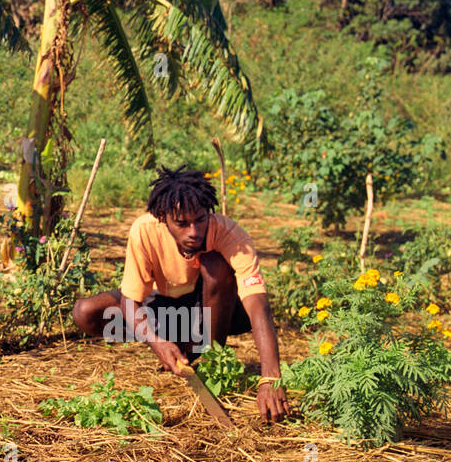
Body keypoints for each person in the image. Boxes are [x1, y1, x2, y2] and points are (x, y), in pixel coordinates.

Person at [71, 165, 291, 423]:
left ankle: (210, 356)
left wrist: (271, 377)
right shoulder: (144, 230)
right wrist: (157, 343)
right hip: (163, 309)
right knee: (85, 312)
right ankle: (182, 346)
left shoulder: (230, 234)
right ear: (163, 218)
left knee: (216, 266)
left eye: (200, 220)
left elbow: (256, 303)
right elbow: (130, 299)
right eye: (182, 223)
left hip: (215, 309)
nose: (194, 232)